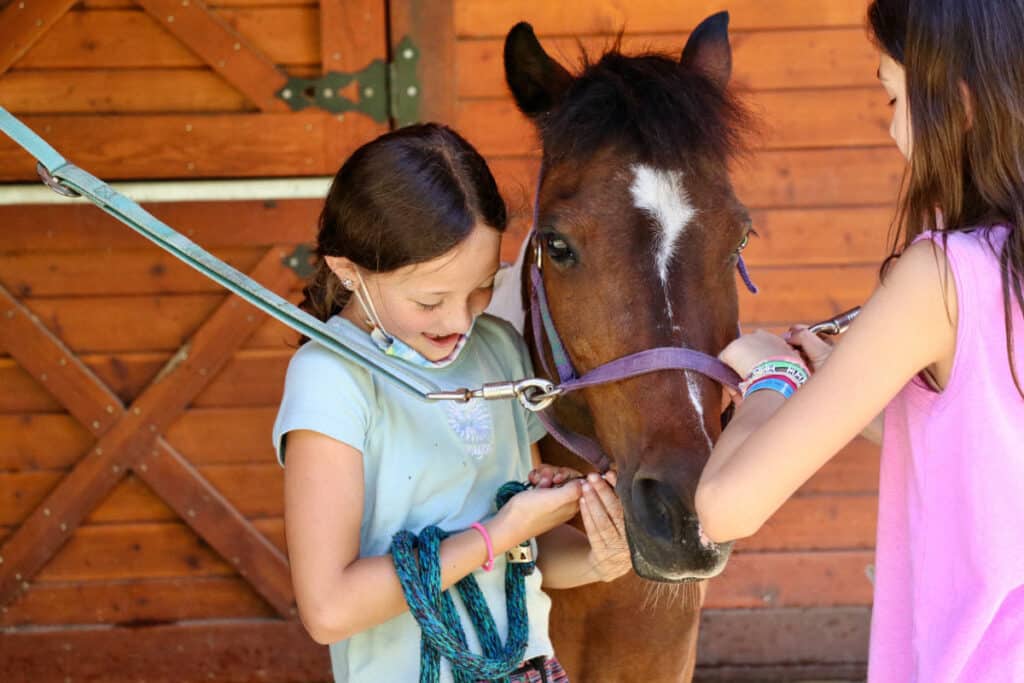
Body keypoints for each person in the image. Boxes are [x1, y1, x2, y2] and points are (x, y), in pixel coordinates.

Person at [695, 0, 1024, 680]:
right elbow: (981, 441)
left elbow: (727, 506)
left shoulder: (941, 276)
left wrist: (772, 379)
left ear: (957, 103)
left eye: (895, 97)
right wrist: (849, 384)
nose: (894, 129)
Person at [273, 123, 630, 682]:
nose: (460, 321)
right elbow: (329, 609)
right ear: (349, 271)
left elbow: (524, 554)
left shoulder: (498, 350)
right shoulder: (330, 379)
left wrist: (596, 557)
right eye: (430, 300)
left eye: (482, 288)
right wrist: (503, 531)